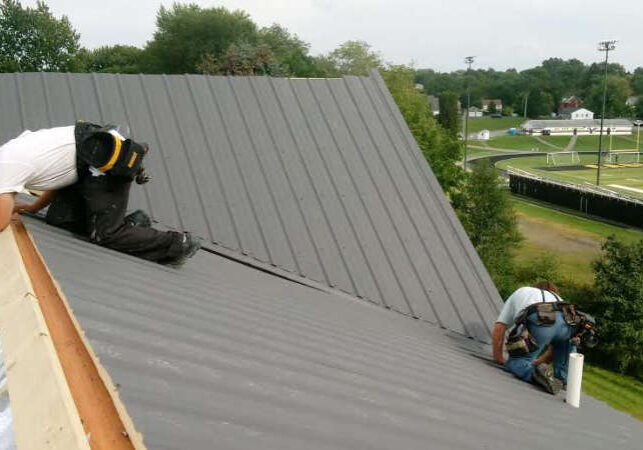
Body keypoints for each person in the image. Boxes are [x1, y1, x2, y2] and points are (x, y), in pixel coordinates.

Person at [0, 123, 200, 266]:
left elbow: (2, 221)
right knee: (60, 220)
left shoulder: (5, 166)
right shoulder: (9, 155)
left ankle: (177, 243)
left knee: (105, 235)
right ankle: (133, 223)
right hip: (85, 160)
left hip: (107, 160)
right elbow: (55, 174)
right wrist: (34, 207)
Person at [492, 281, 574, 394]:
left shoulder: (523, 291)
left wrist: (498, 358)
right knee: (563, 352)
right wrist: (539, 363)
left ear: (535, 287)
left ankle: (532, 374)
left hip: (542, 318)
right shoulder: (559, 298)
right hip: (569, 324)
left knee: (517, 362)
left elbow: (499, 328)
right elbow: (552, 351)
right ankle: (562, 380)